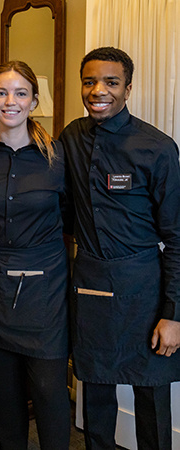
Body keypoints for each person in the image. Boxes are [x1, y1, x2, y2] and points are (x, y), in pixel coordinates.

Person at [59, 47, 180, 449]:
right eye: (90, 81)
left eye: (111, 82)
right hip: (91, 283)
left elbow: (178, 237)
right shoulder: (71, 137)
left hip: (143, 287)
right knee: (95, 393)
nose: (99, 91)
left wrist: (173, 315)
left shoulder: (158, 148)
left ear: (128, 88)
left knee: (151, 394)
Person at [0, 61, 72, 450]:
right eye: (2, 92)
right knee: (4, 399)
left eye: (21, 93)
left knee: (51, 394)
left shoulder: (58, 158)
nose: (10, 101)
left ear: (34, 101)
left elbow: (71, 218)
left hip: (46, 293)